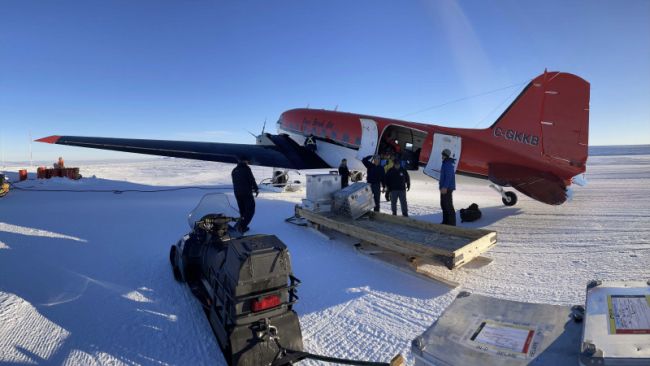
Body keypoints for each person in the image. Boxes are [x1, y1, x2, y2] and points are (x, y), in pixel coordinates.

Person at [231, 156, 259, 233]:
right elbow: (251, 179)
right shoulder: (246, 169)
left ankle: (242, 225)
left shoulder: (234, 170)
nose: (248, 162)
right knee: (250, 209)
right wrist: (256, 188)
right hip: (246, 192)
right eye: (247, 161)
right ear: (245, 161)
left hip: (237, 193)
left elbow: (234, 182)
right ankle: (242, 227)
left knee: (243, 210)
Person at [439, 148, 456, 226]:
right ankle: (445, 222)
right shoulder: (445, 163)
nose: (441, 156)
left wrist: (445, 187)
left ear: (445, 155)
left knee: (448, 205)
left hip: (447, 188)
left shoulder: (448, 163)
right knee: (443, 205)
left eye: (442, 154)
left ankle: (451, 224)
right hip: (444, 187)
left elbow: (449, 176)